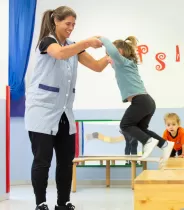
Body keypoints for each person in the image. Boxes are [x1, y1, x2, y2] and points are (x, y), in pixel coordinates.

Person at [25, 6, 110, 210]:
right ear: (56, 21)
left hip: (64, 113)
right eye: (68, 23)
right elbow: (61, 54)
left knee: (66, 161)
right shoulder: (48, 42)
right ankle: (41, 203)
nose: (71, 28)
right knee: (42, 160)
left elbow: (97, 67)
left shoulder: (74, 47)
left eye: (74, 25)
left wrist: (111, 56)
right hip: (41, 113)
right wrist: (88, 42)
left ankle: (63, 203)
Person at [98, 36, 175, 163]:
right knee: (141, 129)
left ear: (120, 52)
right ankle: (165, 145)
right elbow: (111, 61)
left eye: (109, 55)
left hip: (140, 101)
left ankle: (148, 142)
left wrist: (101, 39)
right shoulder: (127, 64)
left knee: (125, 125)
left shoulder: (122, 61)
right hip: (147, 102)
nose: (108, 57)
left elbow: (112, 52)